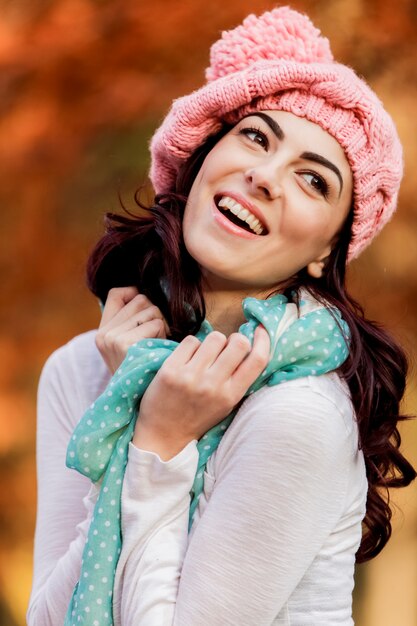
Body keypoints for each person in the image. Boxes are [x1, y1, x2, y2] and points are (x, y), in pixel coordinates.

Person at [27, 7, 416, 626]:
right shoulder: (83, 369)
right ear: (203, 158)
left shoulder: (299, 412)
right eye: (256, 138)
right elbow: (47, 617)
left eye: (313, 180)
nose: (264, 176)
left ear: (326, 252)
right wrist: (132, 403)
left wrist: (156, 442)